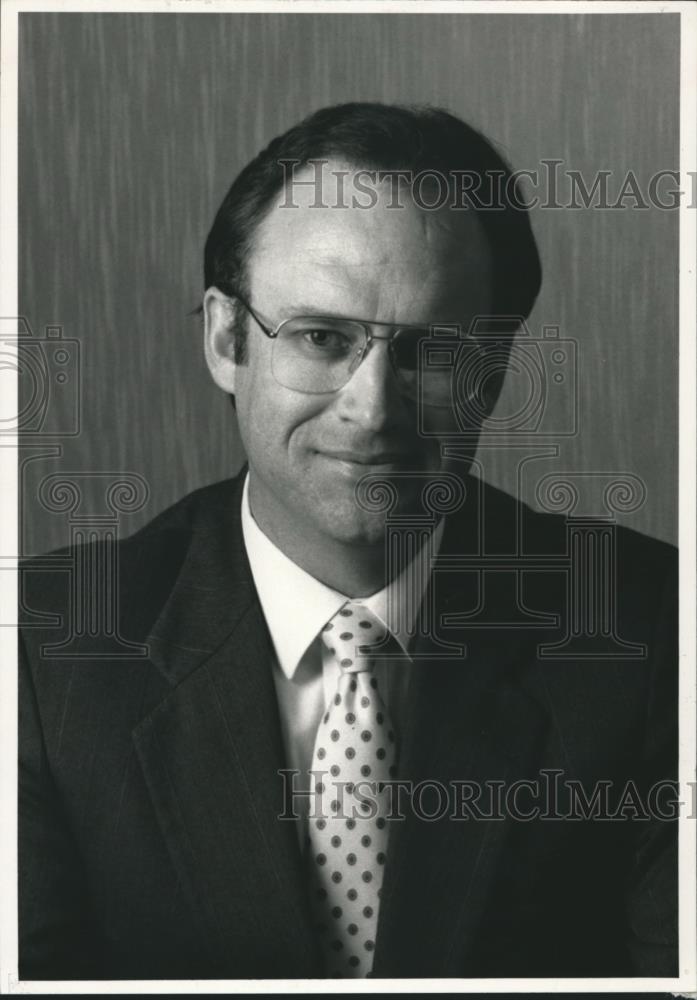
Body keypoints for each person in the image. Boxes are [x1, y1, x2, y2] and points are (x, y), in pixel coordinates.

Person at [18, 102, 678, 981]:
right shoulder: (41, 653)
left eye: (432, 353)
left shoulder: (658, 634)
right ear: (224, 338)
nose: (372, 410)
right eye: (322, 338)